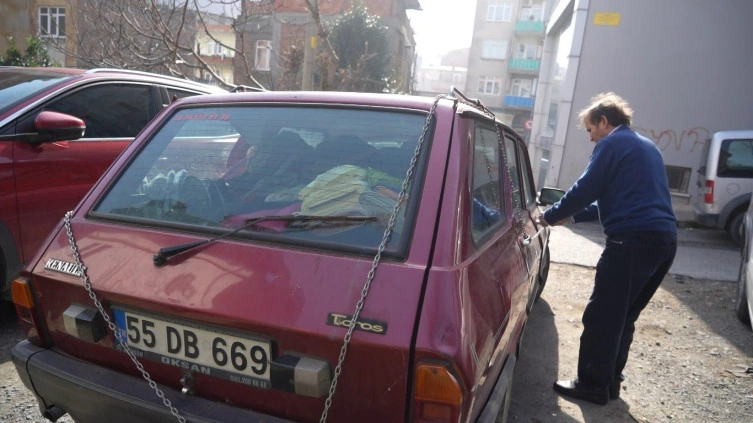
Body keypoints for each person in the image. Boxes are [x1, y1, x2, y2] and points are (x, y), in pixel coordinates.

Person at [538, 92, 678, 405]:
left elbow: (585, 188)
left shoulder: (612, 144)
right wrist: (571, 217)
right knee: (623, 316)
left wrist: (548, 216)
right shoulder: (646, 146)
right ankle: (610, 382)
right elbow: (613, 198)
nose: (590, 137)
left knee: (602, 316)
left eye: (590, 129)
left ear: (604, 121)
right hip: (664, 242)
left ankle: (591, 384)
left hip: (632, 241)